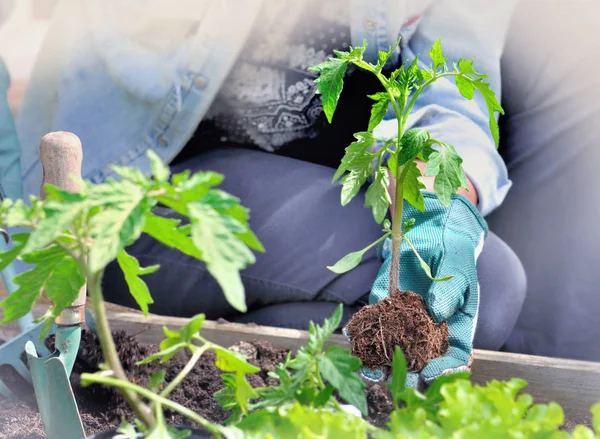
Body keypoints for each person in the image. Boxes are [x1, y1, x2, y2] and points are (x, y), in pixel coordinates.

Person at [5, 0, 534, 383]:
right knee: (483, 289)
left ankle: (195, 375)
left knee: (472, 296)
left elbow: (455, 86)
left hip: (306, 204)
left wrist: (440, 195)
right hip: (137, 191)